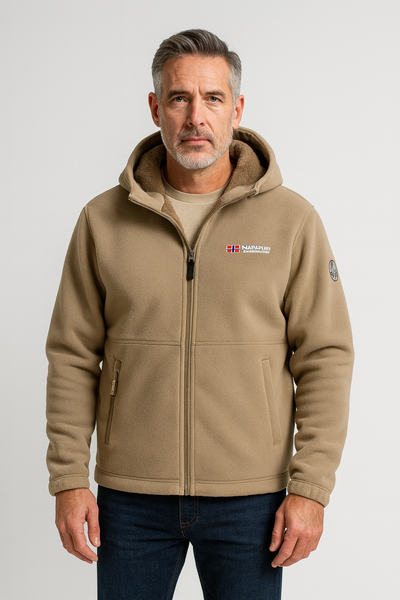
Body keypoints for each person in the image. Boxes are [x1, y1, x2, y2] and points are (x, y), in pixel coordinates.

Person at [46, 29, 354, 600]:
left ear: (236, 109)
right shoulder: (102, 221)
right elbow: (71, 355)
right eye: (179, 98)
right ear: (155, 108)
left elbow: (326, 357)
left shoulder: (291, 221)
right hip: (131, 499)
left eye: (213, 98)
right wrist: (67, 478)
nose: (196, 116)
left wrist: (310, 488)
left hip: (252, 501)